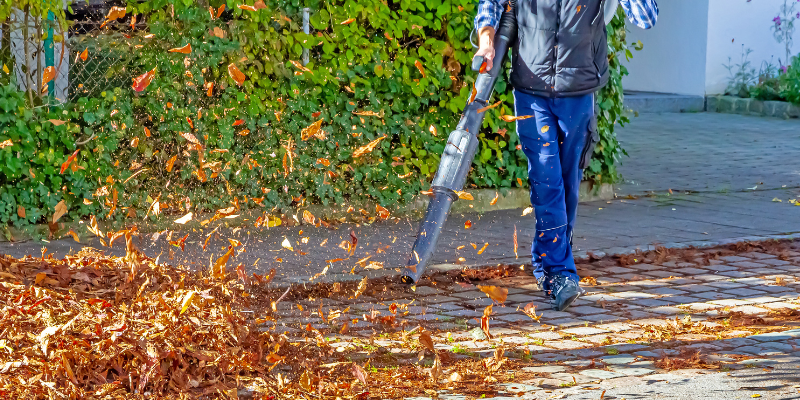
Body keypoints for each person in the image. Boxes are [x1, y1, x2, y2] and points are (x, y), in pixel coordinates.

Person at [473, 0, 658, 311]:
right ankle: (559, 273)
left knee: (568, 183)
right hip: (531, 87)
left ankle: (549, 264)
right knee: (546, 177)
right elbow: (489, 4)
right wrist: (486, 41)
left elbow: (646, 17)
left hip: (579, 87)